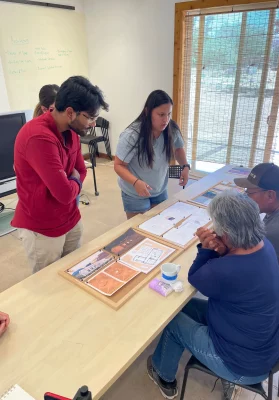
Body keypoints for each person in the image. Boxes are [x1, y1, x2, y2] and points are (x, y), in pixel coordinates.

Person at [147, 191, 279, 400]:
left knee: (172, 322)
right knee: (185, 306)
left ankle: (162, 374)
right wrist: (221, 249)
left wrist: (205, 248)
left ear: (226, 234)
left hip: (240, 365)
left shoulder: (227, 270)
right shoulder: (264, 245)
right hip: (263, 346)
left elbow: (195, 277)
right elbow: (233, 266)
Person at [12, 76, 109, 273]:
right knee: (49, 286)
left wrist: (72, 182)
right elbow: (64, 193)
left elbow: (81, 170)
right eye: (90, 118)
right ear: (70, 112)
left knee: (74, 273)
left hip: (71, 217)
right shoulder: (39, 137)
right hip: (43, 228)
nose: (92, 123)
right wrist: (73, 181)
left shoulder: (72, 130)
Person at [234, 162, 279, 311]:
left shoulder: (277, 232)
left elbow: (251, 276)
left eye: (249, 193)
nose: (245, 196)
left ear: (270, 195)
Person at [114, 90, 190, 219]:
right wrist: (136, 182)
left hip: (159, 189)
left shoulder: (171, 128)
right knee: (138, 231)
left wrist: (185, 166)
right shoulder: (132, 135)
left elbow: (178, 149)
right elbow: (118, 165)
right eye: (161, 114)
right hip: (135, 192)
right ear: (147, 112)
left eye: (168, 114)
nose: (166, 119)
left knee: (160, 223)